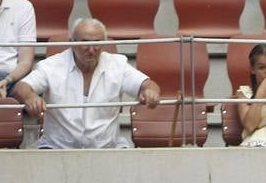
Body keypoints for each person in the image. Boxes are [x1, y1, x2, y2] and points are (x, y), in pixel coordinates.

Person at [12, 18, 160, 150]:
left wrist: (150, 92)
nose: (91, 50)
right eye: (85, 44)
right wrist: (30, 96)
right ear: (72, 43)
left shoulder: (118, 64)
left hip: (107, 149)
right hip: (56, 148)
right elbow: (21, 87)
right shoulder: (51, 65)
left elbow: (148, 84)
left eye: (97, 44)